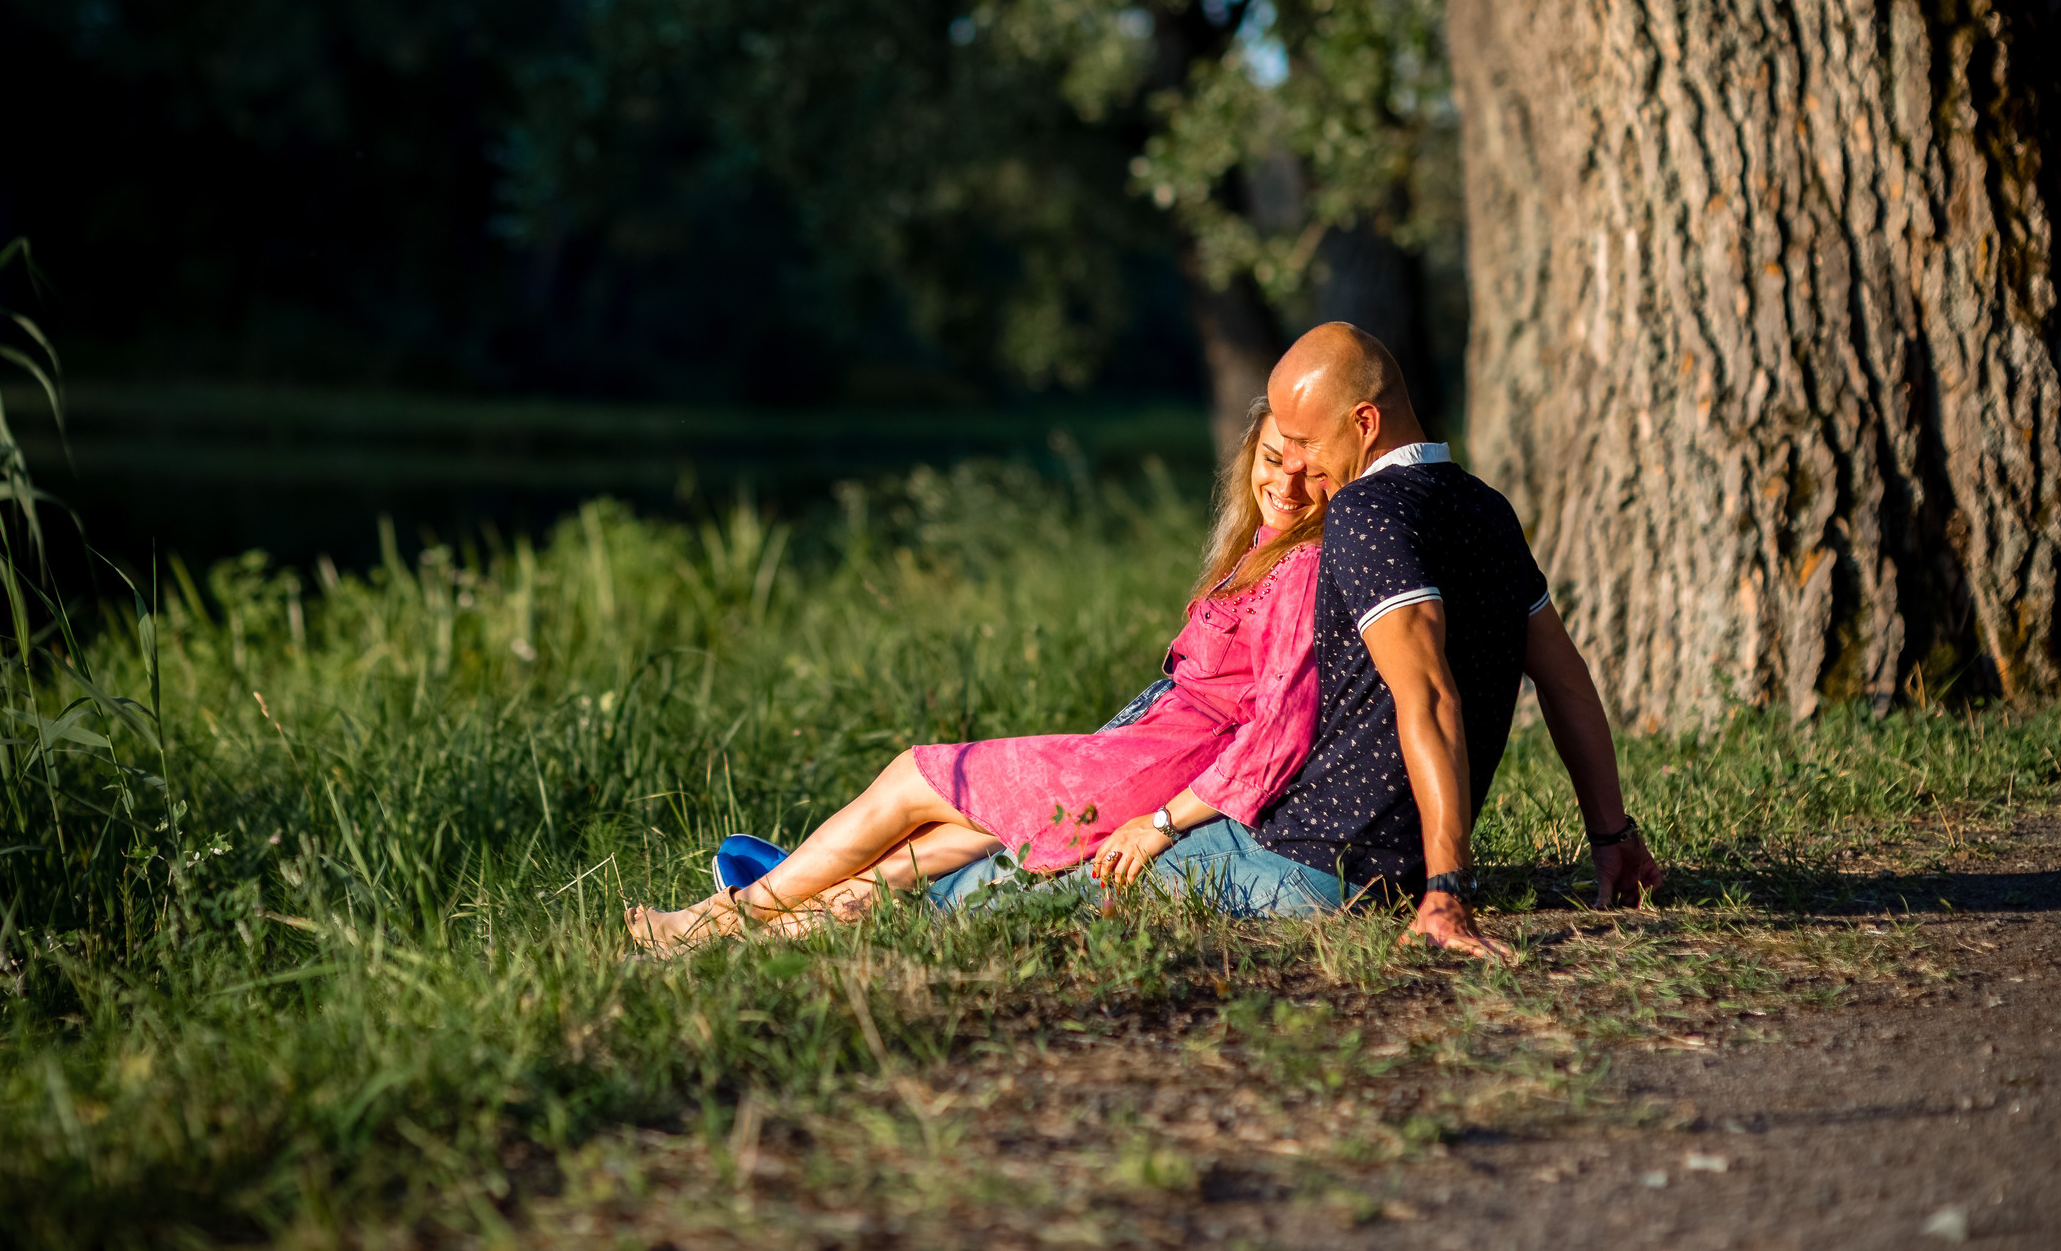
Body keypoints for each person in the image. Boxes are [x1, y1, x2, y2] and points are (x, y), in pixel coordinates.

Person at [624, 399, 1332, 954]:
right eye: (1271, 458)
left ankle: (721, 916)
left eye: (1306, 471)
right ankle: (768, 931)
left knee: (915, 777)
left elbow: (1280, 730)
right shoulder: (1267, 547)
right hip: (1148, 747)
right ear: (1248, 456)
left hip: (1156, 765)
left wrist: (1160, 822)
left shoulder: (1301, 567)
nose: (1285, 483)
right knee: (923, 852)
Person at [1064, 322, 1661, 953]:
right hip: (1387, 875)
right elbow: (1565, 680)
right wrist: (1612, 838)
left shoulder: (1363, 513)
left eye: (1302, 441)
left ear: (1365, 422)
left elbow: (1429, 696)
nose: (1290, 464)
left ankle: (943, 912)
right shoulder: (1487, 508)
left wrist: (1448, 892)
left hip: (1308, 863)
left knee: (1052, 877)